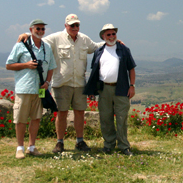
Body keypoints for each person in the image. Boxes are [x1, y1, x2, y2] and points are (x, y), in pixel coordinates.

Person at [18, 14, 103, 153]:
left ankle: (80, 141)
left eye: (77, 25)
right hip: (62, 83)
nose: (75, 28)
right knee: (61, 113)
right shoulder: (56, 38)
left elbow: (95, 46)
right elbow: (39, 40)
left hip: (80, 83)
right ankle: (60, 142)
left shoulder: (84, 39)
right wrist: (27, 34)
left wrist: (113, 41)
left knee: (80, 113)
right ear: (66, 25)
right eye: (72, 25)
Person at [6, 19, 56, 159]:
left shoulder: (47, 47)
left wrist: (47, 82)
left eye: (42, 29)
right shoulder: (20, 46)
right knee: (21, 119)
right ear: (31, 30)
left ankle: (32, 147)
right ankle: (20, 147)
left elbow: (51, 67)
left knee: (36, 118)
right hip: (24, 88)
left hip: (40, 88)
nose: (40, 31)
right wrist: (26, 65)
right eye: (37, 29)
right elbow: (9, 65)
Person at [84, 24, 136, 156]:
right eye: (109, 34)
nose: (112, 36)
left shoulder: (124, 49)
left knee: (121, 118)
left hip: (122, 88)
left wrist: (132, 86)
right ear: (103, 36)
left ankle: (124, 146)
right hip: (104, 89)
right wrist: (92, 90)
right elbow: (95, 72)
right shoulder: (99, 51)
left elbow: (131, 69)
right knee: (105, 118)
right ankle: (108, 145)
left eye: (113, 34)